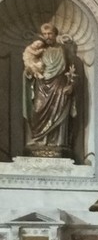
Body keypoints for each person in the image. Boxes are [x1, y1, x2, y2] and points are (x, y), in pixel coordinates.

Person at [23, 23, 77, 157]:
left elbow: (73, 70)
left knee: (59, 112)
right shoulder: (38, 50)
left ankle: (58, 143)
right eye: (45, 34)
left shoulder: (64, 50)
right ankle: (39, 140)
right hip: (41, 86)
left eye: (50, 34)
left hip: (59, 86)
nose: (47, 37)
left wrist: (72, 85)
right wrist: (29, 72)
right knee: (37, 110)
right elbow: (30, 67)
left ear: (55, 34)